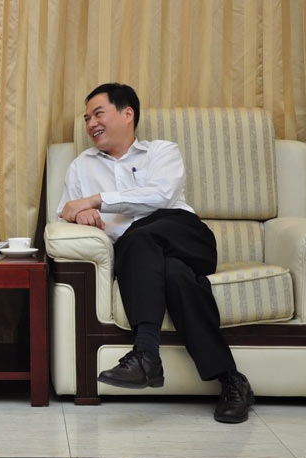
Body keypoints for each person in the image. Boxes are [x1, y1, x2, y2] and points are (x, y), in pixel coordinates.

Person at [56, 83, 255, 423]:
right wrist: (77, 215)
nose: (90, 124)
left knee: (140, 236)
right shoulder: (81, 166)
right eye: (86, 118)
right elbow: (64, 211)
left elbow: (162, 196)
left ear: (127, 114)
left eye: (98, 114)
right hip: (142, 260)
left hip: (186, 236)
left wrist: (96, 201)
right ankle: (231, 381)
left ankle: (146, 354)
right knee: (175, 276)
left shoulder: (161, 151)